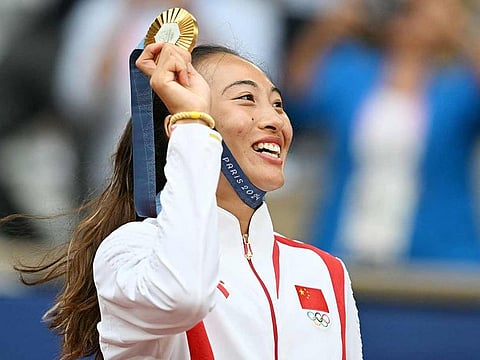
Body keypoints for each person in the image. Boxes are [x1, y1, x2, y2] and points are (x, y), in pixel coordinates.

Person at [14, 29, 363, 359]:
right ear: (181, 125)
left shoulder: (322, 270)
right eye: (246, 98)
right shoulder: (132, 251)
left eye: (277, 103)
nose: (274, 120)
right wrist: (193, 126)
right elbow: (184, 295)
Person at [284, 0, 480, 264]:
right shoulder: (352, 71)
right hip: (347, 242)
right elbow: (296, 96)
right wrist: (328, 28)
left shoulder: (457, 84)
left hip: (437, 252)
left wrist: (458, 33)